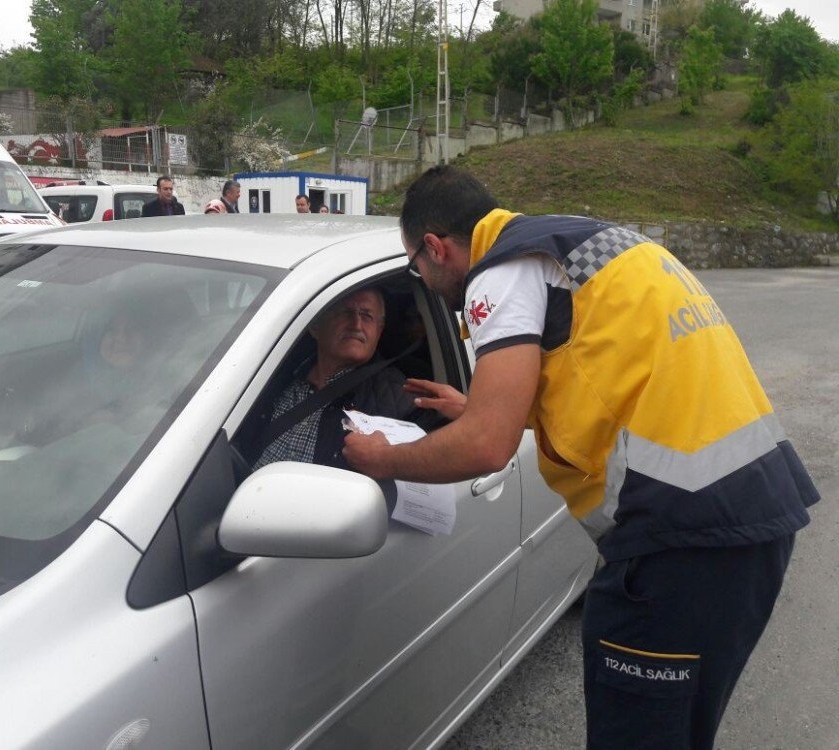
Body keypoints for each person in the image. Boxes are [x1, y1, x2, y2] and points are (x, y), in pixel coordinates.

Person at [342, 165, 819, 750]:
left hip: (680, 542)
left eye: (416, 265)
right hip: (751, 513)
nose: (422, 275)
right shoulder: (579, 242)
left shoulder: (501, 272)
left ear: (435, 248)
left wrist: (382, 457)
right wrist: (479, 403)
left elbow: (488, 447)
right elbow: (597, 369)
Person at [252, 288, 419, 472]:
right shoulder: (272, 374)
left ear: (379, 332)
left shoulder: (400, 396)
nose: (356, 324)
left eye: (367, 316)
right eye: (346, 313)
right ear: (315, 327)